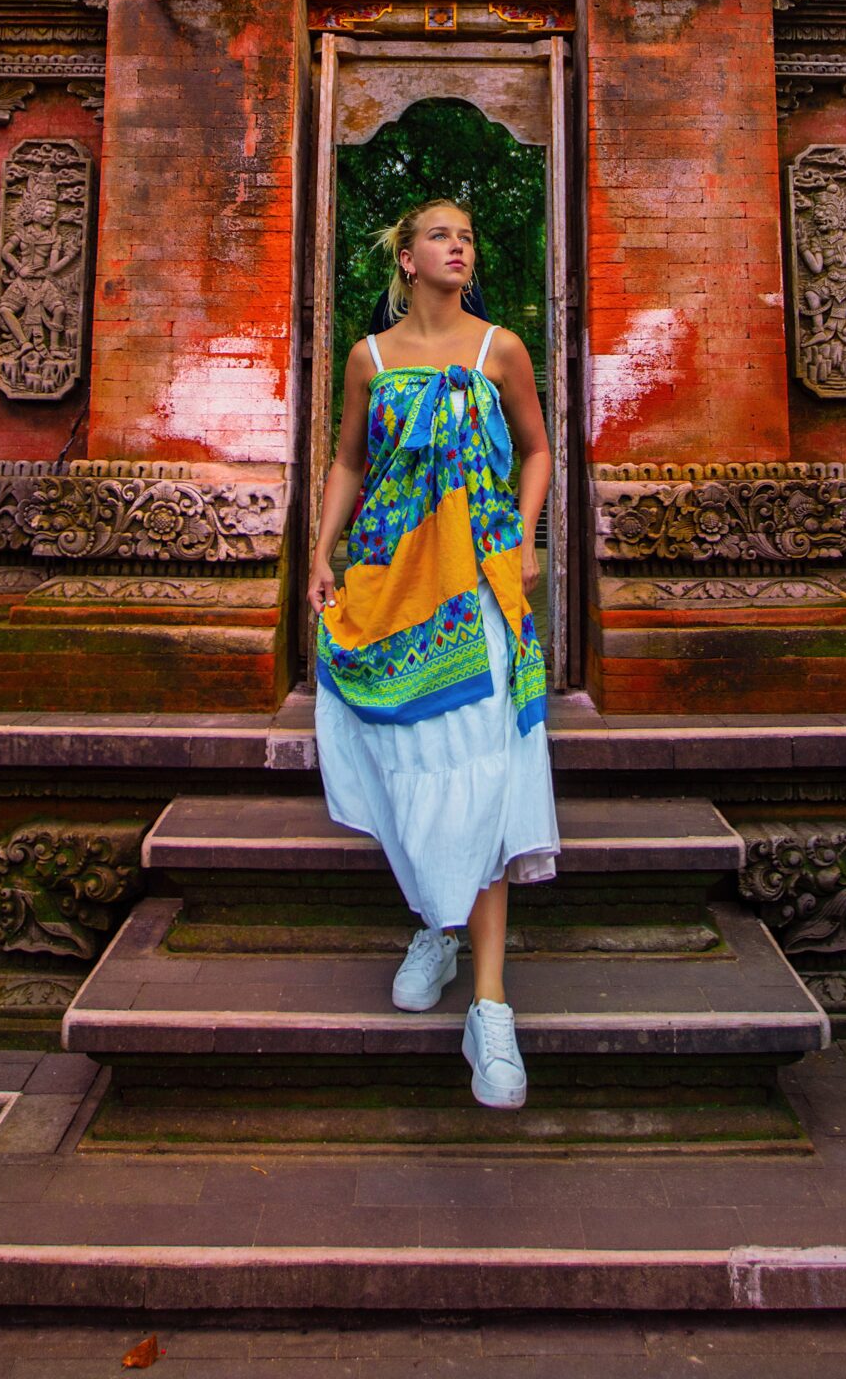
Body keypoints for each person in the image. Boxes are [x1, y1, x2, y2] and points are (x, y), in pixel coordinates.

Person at [308, 197, 559, 1109]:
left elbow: (535, 450)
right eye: (441, 235)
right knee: (407, 755)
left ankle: (488, 1007)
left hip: (481, 579)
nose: (460, 245)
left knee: (485, 773)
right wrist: (320, 550)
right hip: (390, 577)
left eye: (469, 235)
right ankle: (434, 924)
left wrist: (524, 538)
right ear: (405, 258)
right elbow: (346, 463)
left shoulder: (501, 350)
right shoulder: (367, 359)